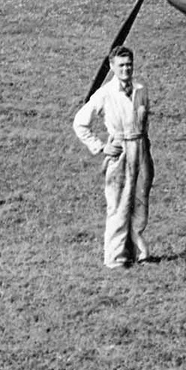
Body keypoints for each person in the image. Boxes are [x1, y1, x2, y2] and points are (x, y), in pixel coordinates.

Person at [72, 46, 154, 269]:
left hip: (141, 147)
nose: (126, 69)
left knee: (140, 201)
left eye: (129, 65)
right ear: (112, 67)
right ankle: (115, 256)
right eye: (121, 65)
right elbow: (80, 123)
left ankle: (138, 251)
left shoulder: (141, 88)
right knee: (118, 204)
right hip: (120, 150)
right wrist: (100, 147)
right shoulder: (105, 93)